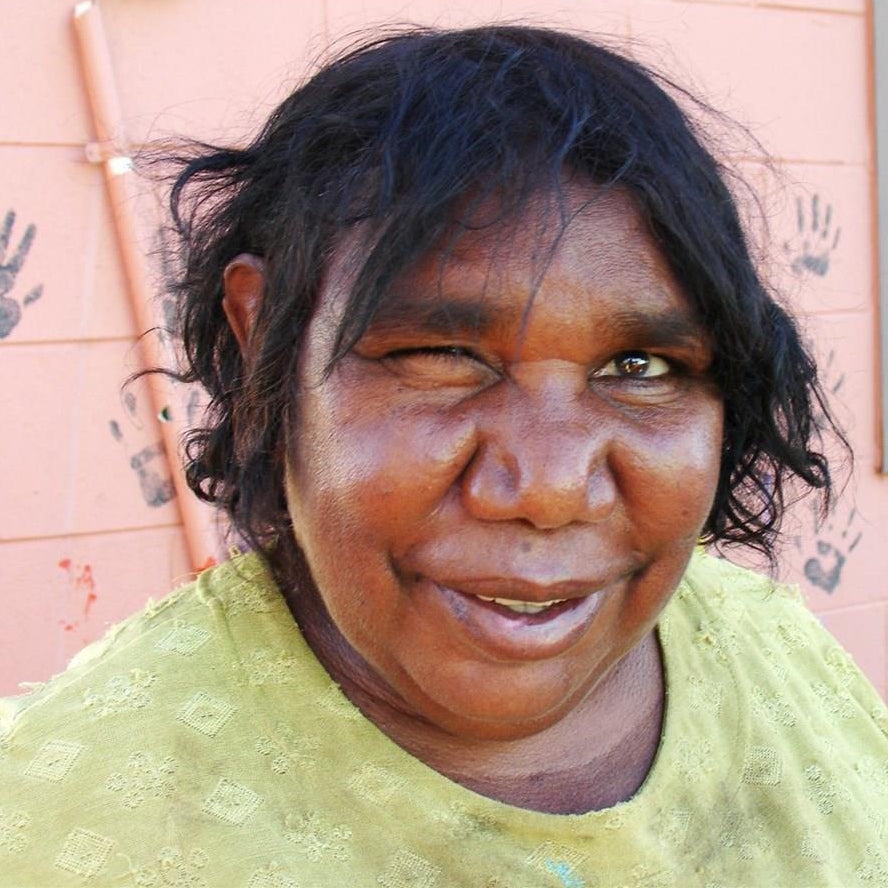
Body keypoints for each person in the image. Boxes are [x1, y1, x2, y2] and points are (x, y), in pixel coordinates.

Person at [2, 25, 887, 888]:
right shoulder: (52, 824)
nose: (548, 488)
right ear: (263, 335)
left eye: (639, 367)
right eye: (441, 357)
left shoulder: (775, 650)